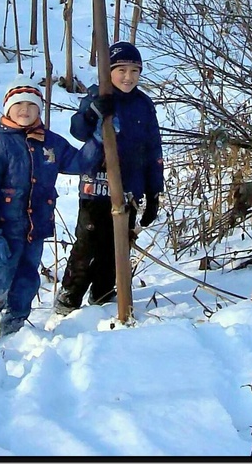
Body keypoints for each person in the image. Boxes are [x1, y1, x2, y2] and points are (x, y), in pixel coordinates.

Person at [0, 77, 103, 346]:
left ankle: (14, 330)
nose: (25, 110)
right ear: (7, 109)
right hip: (5, 230)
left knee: (27, 280)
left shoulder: (49, 142)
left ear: (40, 109)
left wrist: (97, 140)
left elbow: (78, 163)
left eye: (31, 105)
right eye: (18, 105)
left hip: (35, 228)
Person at [55, 41, 165, 314]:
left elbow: (153, 148)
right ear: (109, 72)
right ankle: (70, 296)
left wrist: (153, 192)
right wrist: (94, 112)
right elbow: (77, 130)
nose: (128, 77)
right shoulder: (98, 95)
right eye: (121, 70)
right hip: (97, 187)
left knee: (117, 246)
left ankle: (103, 294)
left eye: (134, 71)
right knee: (88, 244)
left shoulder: (143, 104)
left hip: (129, 189)